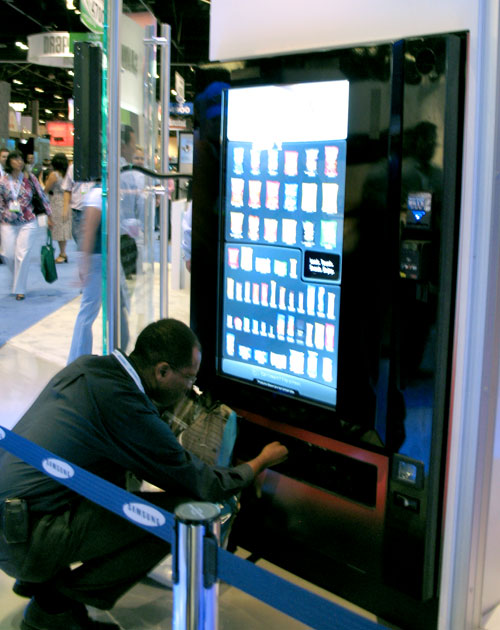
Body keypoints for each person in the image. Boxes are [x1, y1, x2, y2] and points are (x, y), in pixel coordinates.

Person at [0, 318, 288, 630]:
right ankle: (54, 606)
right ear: (162, 371)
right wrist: (260, 461)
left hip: (14, 519)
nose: (190, 388)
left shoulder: (90, 368)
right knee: (184, 517)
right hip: (23, 539)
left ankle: (41, 585)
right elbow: (203, 484)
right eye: (188, 378)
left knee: (114, 476)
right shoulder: (125, 405)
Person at [0, 150, 52, 300]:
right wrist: (4, 214)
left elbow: (42, 197)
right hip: (7, 222)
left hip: (28, 220)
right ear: (10, 162)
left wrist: (49, 215)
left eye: (21, 159)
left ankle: (19, 289)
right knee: (8, 254)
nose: (20, 162)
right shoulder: (3, 181)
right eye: (16, 159)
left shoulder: (30, 178)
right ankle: (17, 278)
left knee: (22, 255)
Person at [62, 162, 96, 249]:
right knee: (80, 241)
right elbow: (67, 189)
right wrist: (65, 208)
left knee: (94, 241)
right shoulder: (72, 168)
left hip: (95, 210)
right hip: (77, 211)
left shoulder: (99, 166)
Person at [44, 153, 71, 263]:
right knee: (63, 229)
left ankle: (62, 253)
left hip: (55, 202)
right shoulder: (67, 174)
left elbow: (46, 189)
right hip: (66, 202)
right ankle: (62, 252)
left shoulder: (54, 175)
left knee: (58, 229)